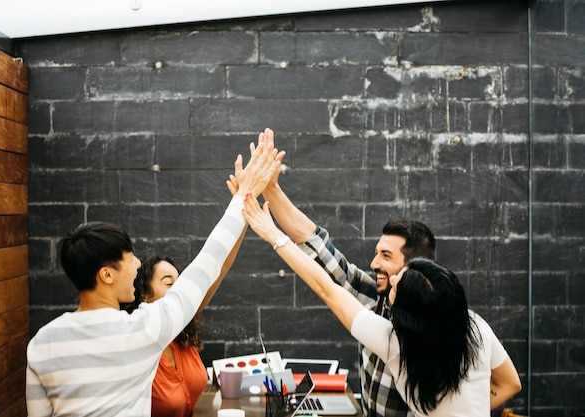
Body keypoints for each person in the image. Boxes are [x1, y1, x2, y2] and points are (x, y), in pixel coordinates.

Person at [25, 139, 279, 416]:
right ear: (107, 275)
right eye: (129, 259)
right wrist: (245, 194)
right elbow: (209, 261)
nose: (136, 265)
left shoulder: (42, 343)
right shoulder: (142, 331)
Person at [240, 194, 522, 416]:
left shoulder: (395, 344)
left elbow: (326, 289)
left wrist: (274, 237)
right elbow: (510, 383)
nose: (382, 274)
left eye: (397, 286)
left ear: (407, 310)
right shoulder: (475, 326)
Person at [228, 128, 436, 417]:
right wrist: (269, 188)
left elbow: (327, 288)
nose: (374, 263)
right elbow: (317, 245)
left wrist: (272, 234)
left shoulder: (427, 329)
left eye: (386, 256)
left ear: (414, 268)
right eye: (376, 253)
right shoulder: (378, 298)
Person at [122, 251, 244, 417]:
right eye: (169, 284)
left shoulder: (179, 335)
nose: (180, 292)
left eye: (181, 284)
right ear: (145, 294)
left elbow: (221, 265)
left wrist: (246, 224)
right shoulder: (134, 348)